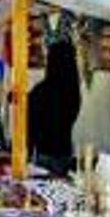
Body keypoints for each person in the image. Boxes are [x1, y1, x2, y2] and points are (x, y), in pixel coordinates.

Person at [28, 41, 82, 177]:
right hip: (65, 152)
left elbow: (31, 124)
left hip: (44, 153)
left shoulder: (41, 90)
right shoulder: (73, 91)